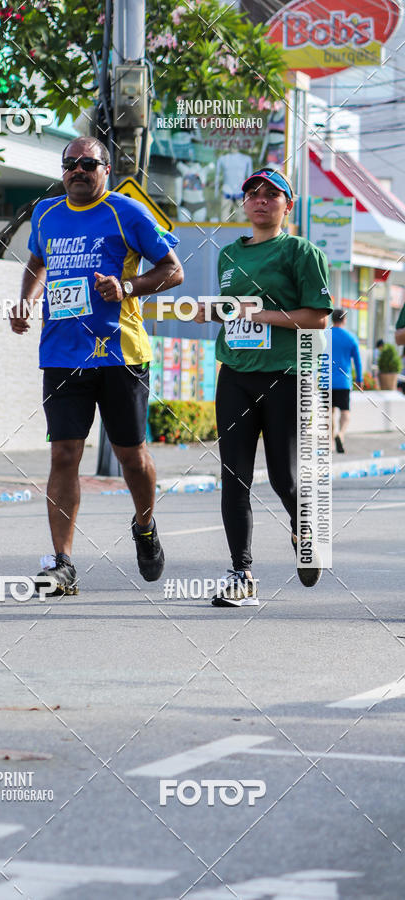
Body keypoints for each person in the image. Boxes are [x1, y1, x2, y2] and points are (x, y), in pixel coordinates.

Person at [11, 136, 184, 596]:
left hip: (119, 353)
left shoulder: (126, 211)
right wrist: (25, 301)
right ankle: (62, 563)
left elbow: (173, 270)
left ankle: (145, 525)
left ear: (106, 168)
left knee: (132, 457)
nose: (78, 170)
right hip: (62, 353)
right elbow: (36, 260)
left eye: (89, 163)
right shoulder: (46, 213)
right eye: (70, 164)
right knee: (64, 454)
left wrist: (127, 287)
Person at [196, 167, 333, 607]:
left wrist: (264, 317)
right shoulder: (227, 255)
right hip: (234, 372)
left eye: (272, 194)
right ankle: (242, 573)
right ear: (244, 204)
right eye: (253, 193)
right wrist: (212, 312)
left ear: (287, 206)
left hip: (285, 374)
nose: (261, 199)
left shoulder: (302, 253)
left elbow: (318, 317)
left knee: (282, 477)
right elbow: (233, 311)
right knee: (233, 477)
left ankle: (304, 528)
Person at [331, 308, 362, 453]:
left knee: (328, 412)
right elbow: (358, 361)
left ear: (332, 319)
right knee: (345, 413)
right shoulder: (351, 338)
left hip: (326, 380)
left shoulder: (324, 335)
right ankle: (340, 435)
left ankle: (330, 442)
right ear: (344, 320)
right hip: (343, 381)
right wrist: (359, 379)